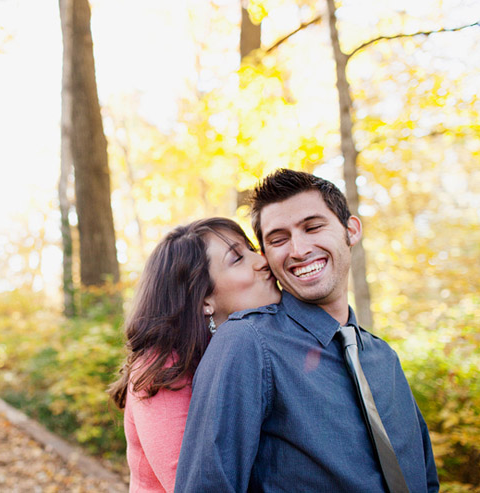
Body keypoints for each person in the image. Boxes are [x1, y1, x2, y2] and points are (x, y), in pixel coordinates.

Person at [175, 169, 439, 492]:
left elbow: (425, 479)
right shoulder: (247, 343)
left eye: (312, 227)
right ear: (267, 256)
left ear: (351, 230)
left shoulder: (385, 357)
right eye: (278, 239)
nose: (298, 249)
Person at [108, 217, 281, 492]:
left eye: (250, 248)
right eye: (237, 258)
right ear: (204, 301)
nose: (261, 260)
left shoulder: (256, 346)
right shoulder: (161, 370)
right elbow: (192, 484)